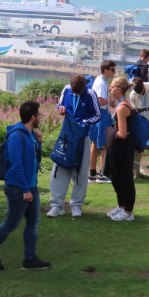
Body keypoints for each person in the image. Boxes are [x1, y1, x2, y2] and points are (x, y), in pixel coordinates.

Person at [0, 101, 51, 271]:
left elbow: (33, 160)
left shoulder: (30, 134)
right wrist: (25, 190)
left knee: (33, 222)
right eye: (39, 115)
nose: (41, 117)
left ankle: (30, 259)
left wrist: (39, 143)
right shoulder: (16, 137)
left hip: (30, 186)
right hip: (18, 188)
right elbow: (16, 165)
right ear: (33, 117)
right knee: (12, 222)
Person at [49, 74, 101, 218]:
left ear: (84, 87)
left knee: (81, 170)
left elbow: (97, 115)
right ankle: (56, 205)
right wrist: (61, 109)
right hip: (66, 134)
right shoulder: (66, 90)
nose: (76, 94)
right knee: (59, 167)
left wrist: (84, 122)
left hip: (82, 136)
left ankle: (76, 204)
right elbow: (60, 104)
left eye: (79, 92)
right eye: (74, 92)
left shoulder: (90, 94)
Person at [105, 77, 138, 221]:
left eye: (111, 87)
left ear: (119, 89)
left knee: (125, 177)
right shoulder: (122, 103)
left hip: (123, 146)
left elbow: (122, 133)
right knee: (116, 177)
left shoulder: (122, 107)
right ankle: (122, 206)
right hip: (122, 146)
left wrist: (110, 132)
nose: (110, 90)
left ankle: (128, 211)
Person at [89, 60, 117, 184]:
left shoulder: (100, 81)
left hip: (97, 115)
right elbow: (100, 101)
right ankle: (103, 173)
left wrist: (108, 101)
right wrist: (110, 99)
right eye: (112, 70)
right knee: (107, 144)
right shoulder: (101, 83)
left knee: (95, 144)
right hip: (101, 115)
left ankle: (92, 172)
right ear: (105, 70)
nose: (114, 72)